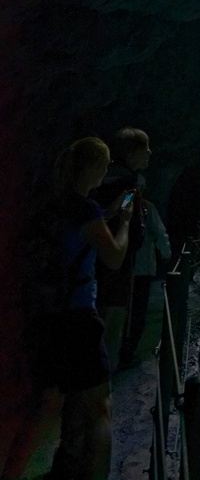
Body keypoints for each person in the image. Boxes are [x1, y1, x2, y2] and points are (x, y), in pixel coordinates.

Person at [4, 137, 133, 480]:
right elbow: (114, 256)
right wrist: (126, 223)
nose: (106, 173)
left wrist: (109, 215)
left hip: (47, 316)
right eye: (104, 167)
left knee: (46, 402)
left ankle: (10, 472)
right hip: (78, 318)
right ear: (93, 167)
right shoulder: (85, 210)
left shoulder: (55, 204)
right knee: (99, 410)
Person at [94, 128, 150, 372]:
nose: (149, 153)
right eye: (144, 148)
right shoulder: (129, 187)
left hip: (95, 262)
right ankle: (107, 375)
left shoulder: (100, 184)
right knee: (115, 318)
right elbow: (128, 214)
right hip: (119, 261)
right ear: (131, 153)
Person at [117, 198, 171, 369]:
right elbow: (159, 232)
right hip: (142, 268)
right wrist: (166, 254)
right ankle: (127, 352)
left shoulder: (123, 203)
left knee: (123, 311)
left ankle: (119, 352)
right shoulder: (146, 206)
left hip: (121, 267)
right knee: (137, 312)